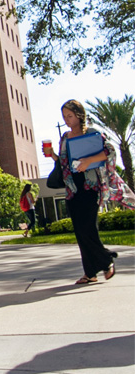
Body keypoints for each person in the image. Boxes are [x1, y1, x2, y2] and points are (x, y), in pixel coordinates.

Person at [43, 99, 135, 284]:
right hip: (72, 189)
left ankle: (106, 259)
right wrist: (52, 154)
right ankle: (90, 273)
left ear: (79, 115)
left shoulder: (93, 134)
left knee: (88, 228)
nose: (67, 120)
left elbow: (109, 152)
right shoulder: (65, 137)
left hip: (91, 187)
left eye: (69, 116)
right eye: (64, 117)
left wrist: (88, 161)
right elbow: (64, 163)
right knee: (80, 231)